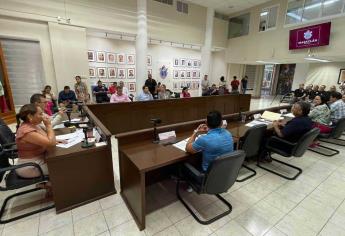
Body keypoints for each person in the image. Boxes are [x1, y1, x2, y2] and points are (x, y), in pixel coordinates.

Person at [15, 104, 56, 196]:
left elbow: (49, 139)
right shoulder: (27, 131)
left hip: (38, 160)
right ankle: (49, 185)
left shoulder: (33, 125)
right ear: (30, 116)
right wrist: (48, 125)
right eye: (40, 114)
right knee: (60, 166)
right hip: (30, 167)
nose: (43, 116)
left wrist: (55, 140)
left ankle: (48, 184)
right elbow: (51, 142)